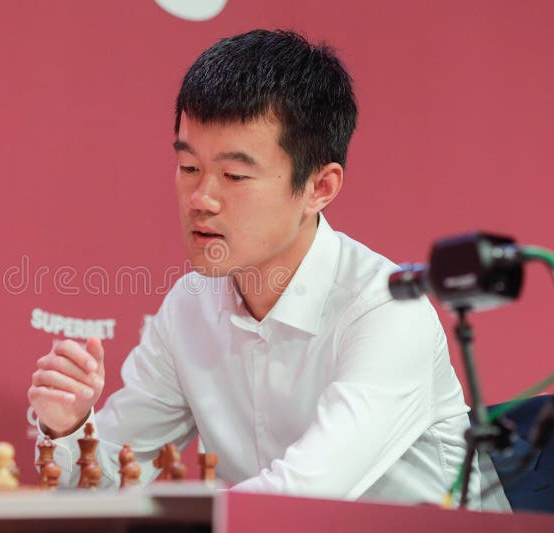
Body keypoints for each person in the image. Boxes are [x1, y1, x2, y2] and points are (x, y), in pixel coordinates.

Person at [27, 29, 479, 506]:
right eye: (188, 168)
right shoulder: (190, 307)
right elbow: (108, 483)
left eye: (235, 176)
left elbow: (300, 502)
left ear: (319, 188)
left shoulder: (386, 310)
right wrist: (71, 426)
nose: (201, 199)